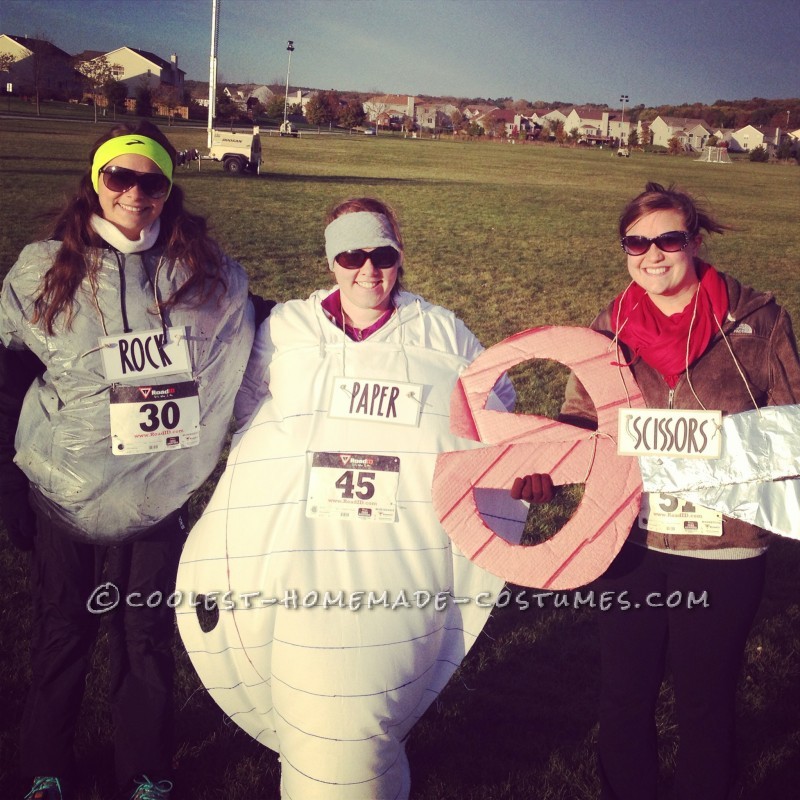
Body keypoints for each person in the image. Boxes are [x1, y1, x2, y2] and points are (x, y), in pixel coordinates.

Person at [176, 197, 516, 799]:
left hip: (397, 553)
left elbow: (500, 410)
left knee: (372, 705)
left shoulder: (443, 332)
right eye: (351, 255)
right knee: (312, 706)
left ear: (399, 256)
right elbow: (251, 409)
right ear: (331, 260)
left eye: (381, 254)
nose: (368, 270)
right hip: (301, 554)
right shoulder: (289, 328)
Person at [512, 182, 800, 800]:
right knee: (624, 699)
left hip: (724, 548)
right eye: (636, 243)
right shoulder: (610, 326)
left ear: (693, 242)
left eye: (668, 239)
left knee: (705, 704)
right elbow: (581, 420)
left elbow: (791, 425)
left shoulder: (760, 320)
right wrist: (544, 464)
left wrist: (721, 452)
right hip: (629, 543)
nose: (653, 254)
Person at [0, 120, 255, 800]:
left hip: (154, 493)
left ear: (168, 191)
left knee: (143, 630)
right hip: (66, 491)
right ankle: (46, 768)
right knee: (64, 627)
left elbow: (259, 321)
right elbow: (8, 376)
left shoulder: (200, 272)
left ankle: (146, 772)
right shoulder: (42, 269)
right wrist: (5, 480)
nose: (135, 192)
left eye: (152, 181)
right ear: (95, 181)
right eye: (120, 176)